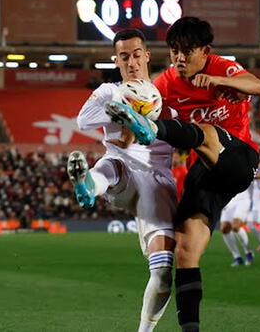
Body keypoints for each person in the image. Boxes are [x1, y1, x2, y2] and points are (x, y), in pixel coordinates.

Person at [105, 16, 260, 332]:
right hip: (205, 171)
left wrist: (225, 83)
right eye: (174, 51)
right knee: (184, 250)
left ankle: (154, 129)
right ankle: (190, 329)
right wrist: (124, 136)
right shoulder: (166, 82)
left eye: (187, 52)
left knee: (205, 131)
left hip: (239, 158)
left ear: (205, 51)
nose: (179, 59)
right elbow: (145, 100)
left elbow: (257, 86)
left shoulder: (221, 66)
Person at [67, 29, 178, 332]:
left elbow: (185, 132)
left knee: (164, 270)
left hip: (158, 183)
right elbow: (83, 120)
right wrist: (123, 104)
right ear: (116, 60)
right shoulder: (108, 90)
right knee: (111, 164)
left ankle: (144, 331)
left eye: (136, 54)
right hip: (121, 172)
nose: (131, 61)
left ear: (147, 55)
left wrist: (148, 112)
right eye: (124, 56)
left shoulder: (168, 91)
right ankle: (87, 186)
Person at [220, 187, 254, 266]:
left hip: (242, 199)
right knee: (224, 229)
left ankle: (248, 252)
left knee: (235, 226)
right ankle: (237, 257)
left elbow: (253, 175)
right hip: (228, 199)